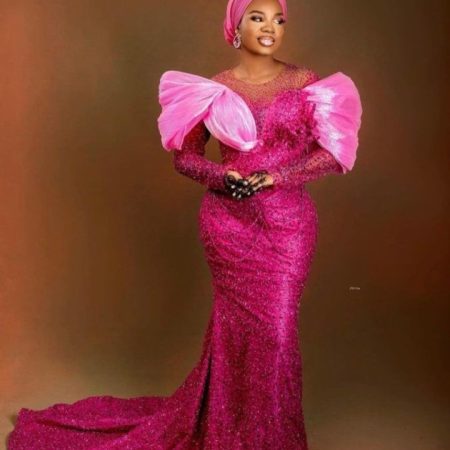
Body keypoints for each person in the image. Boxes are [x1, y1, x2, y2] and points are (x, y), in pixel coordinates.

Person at [7, 0, 362, 448]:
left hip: (287, 226)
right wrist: (222, 175)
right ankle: (230, 433)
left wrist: (278, 176)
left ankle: (271, 438)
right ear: (235, 26)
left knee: (276, 333)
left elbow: (330, 154)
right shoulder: (214, 89)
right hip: (228, 226)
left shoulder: (305, 82)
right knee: (235, 333)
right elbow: (186, 158)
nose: (270, 27)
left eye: (278, 19)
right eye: (257, 17)